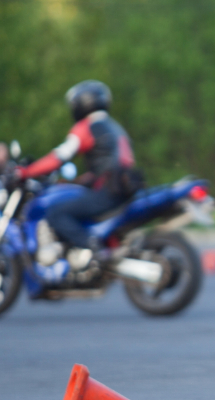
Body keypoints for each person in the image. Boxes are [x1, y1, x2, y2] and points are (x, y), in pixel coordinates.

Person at [11, 80, 143, 263]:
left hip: (108, 191)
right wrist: (80, 181)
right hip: (126, 188)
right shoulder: (115, 127)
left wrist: (25, 172)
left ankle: (94, 247)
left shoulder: (88, 126)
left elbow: (59, 157)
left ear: (83, 103)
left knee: (55, 213)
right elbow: (111, 165)